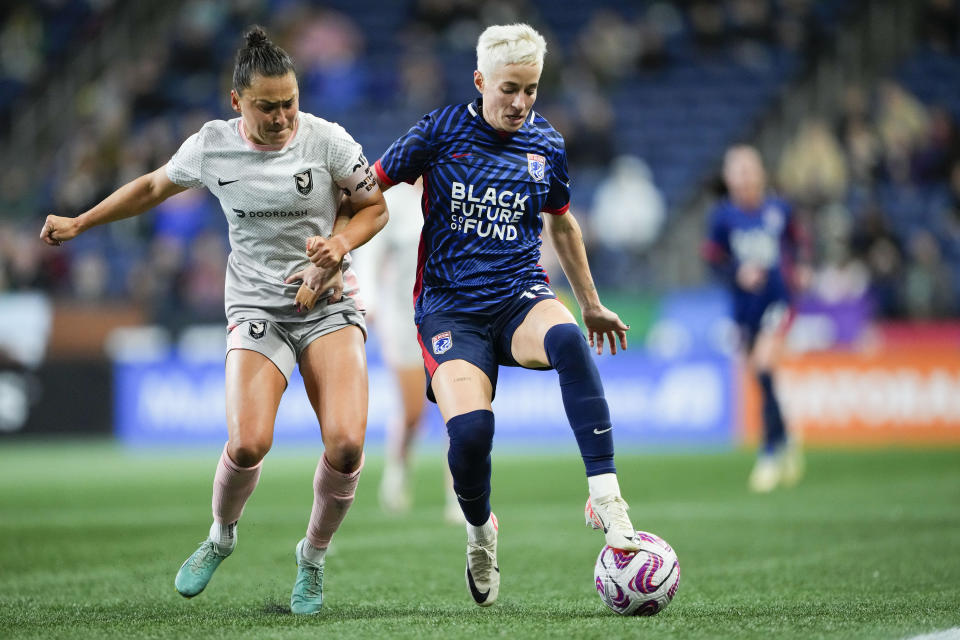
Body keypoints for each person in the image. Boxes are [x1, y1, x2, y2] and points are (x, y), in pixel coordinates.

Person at [40, 26, 387, 615]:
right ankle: (221, 537)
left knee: (349, 445)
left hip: (327, 302)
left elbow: (373, 206)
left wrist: (337, 245)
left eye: (290, 103)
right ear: (236, 103)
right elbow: (152, 185)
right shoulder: (211, 146)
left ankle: (312, 557)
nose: (281, 118)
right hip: (256, 305)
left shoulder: (328, 140)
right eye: (266, 106)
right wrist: (81, 222)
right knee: (248, 443)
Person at [326, 23, 642, 608]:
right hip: (449, 309)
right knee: (471, 434)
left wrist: (591, 302)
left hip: (519, 295)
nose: (520, 103)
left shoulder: (545, 145)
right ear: (480, 81)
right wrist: (336, 251)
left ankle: (607, 496)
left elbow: (563, 223)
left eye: (532, 90)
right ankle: (479, 532)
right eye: (509, 89)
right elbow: (364, 191)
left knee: (570, 339)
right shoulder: (439, 131)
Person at [351, 179, 462, 522]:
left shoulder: (457, 194)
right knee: (414, 412)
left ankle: (460, 495)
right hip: (403, 318)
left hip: (452, 316)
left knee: (458, 411)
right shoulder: (394, 202)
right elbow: (369, 252)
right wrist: (367, 299)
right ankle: (397, 470)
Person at [703, 145, 807, 493]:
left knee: (764, 366)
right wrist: (737, 272)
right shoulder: (722, 216)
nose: (745, 177)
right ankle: (787, 435)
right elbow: (712, 257)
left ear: (760, 173)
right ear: (729, 178)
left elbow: (799, 241)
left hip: (777, 301)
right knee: (760, 378)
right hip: (744, 308)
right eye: (738, 171)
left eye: (750, 169)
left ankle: (768, 454)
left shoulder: (779, 209)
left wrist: (802, 268)